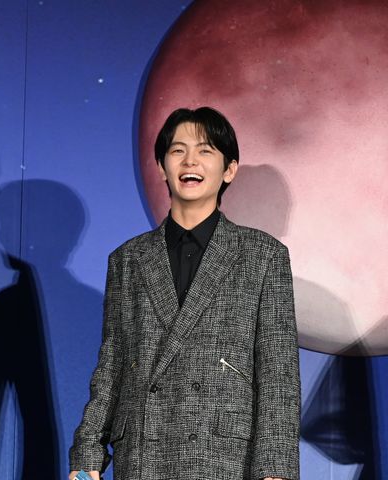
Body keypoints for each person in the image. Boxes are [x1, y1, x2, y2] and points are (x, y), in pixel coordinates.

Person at [68, 107, 300, 479]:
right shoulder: (128, 259)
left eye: (205, 150)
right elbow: (112, 364)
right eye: (178, 150)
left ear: (229, 169)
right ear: (162, 167)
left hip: (224, 454)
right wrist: (87, 454)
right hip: (143, 449)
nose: (190, 160)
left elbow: (278, 373)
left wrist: (276, 469)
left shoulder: (262, 256)